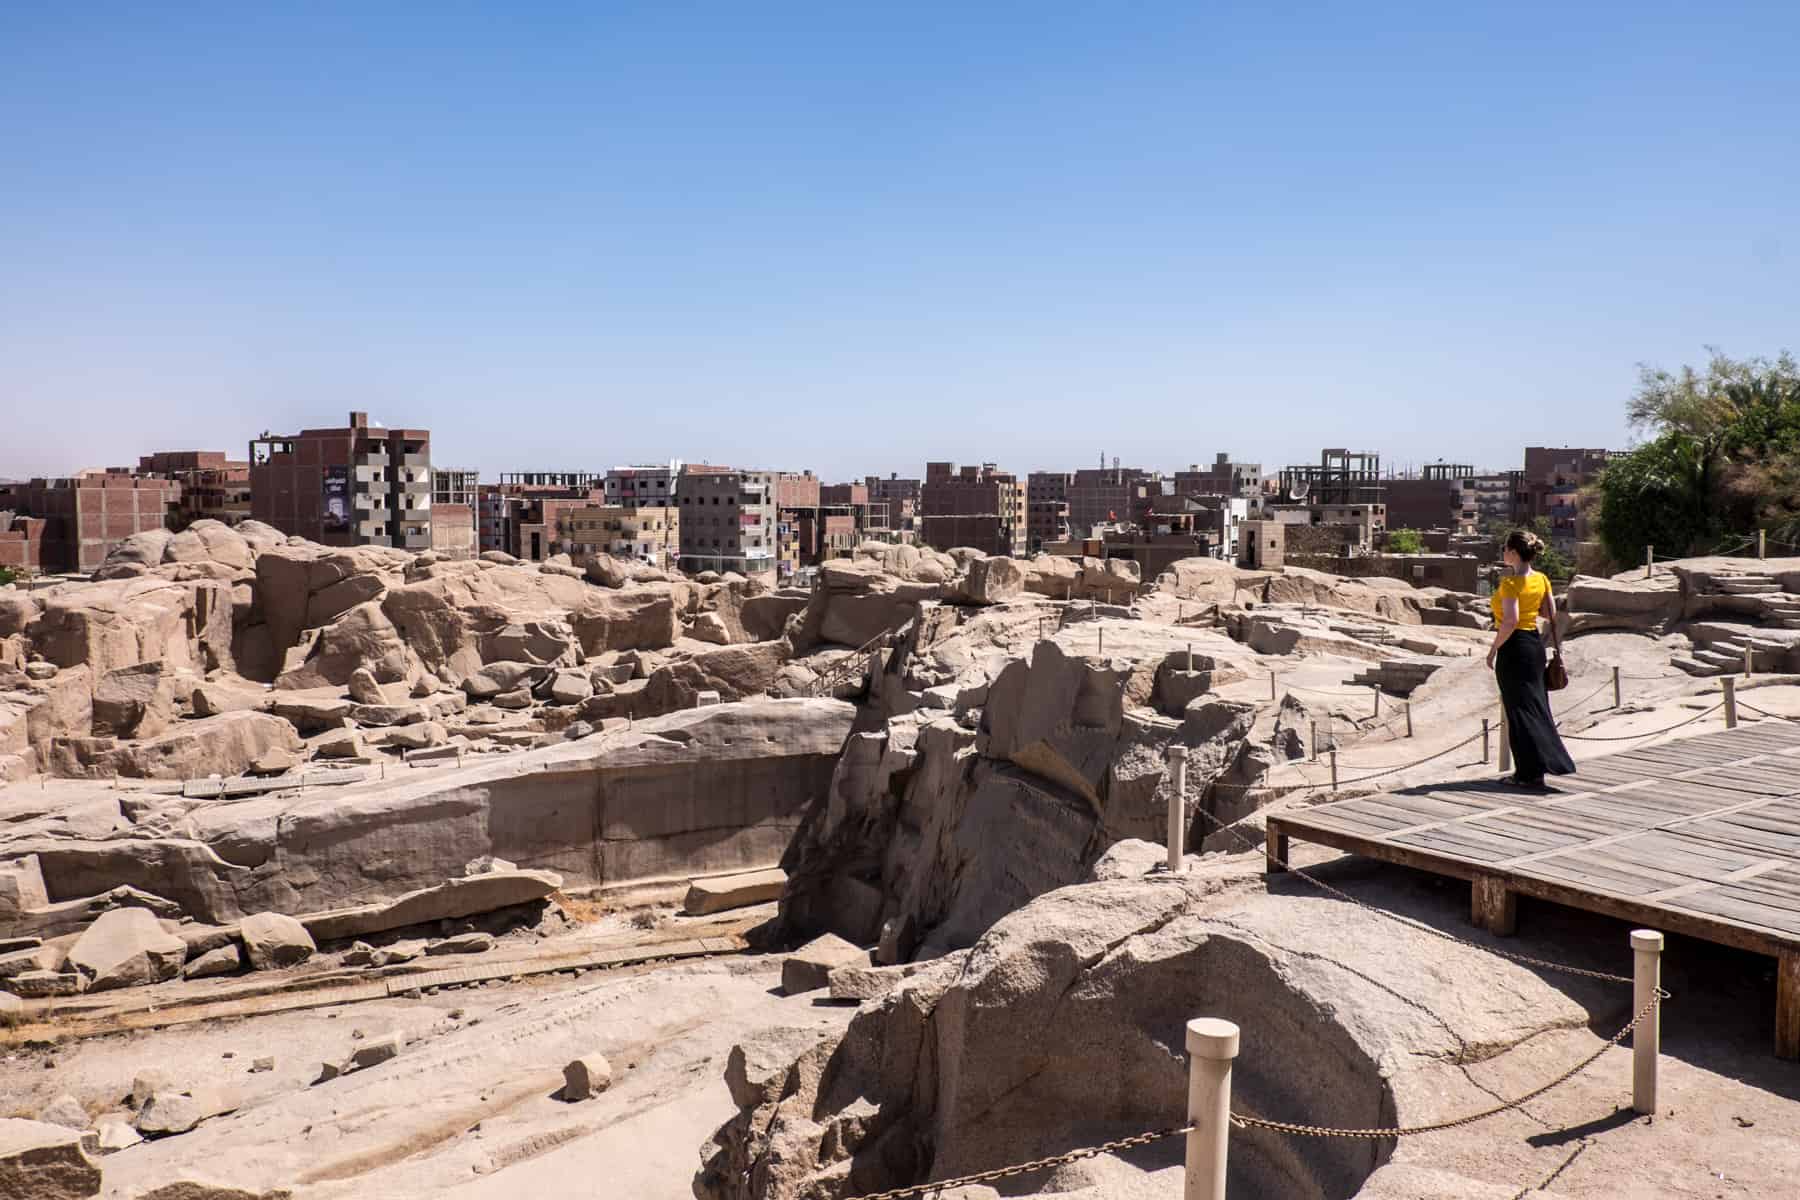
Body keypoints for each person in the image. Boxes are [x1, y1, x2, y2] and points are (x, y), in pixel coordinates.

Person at [1485, 529, 1574, 788]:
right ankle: (1538, 768)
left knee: (1518, 710)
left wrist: (1493, 649)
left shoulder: (1510, 584)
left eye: (1505, 548)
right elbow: (1549, 613)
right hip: (1534, 645)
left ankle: (1526, 773)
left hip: (1515, 648)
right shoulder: (1542, 579)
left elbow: (1510, 621)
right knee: (1535, 706)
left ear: (1513, 553)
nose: (1503, 552)